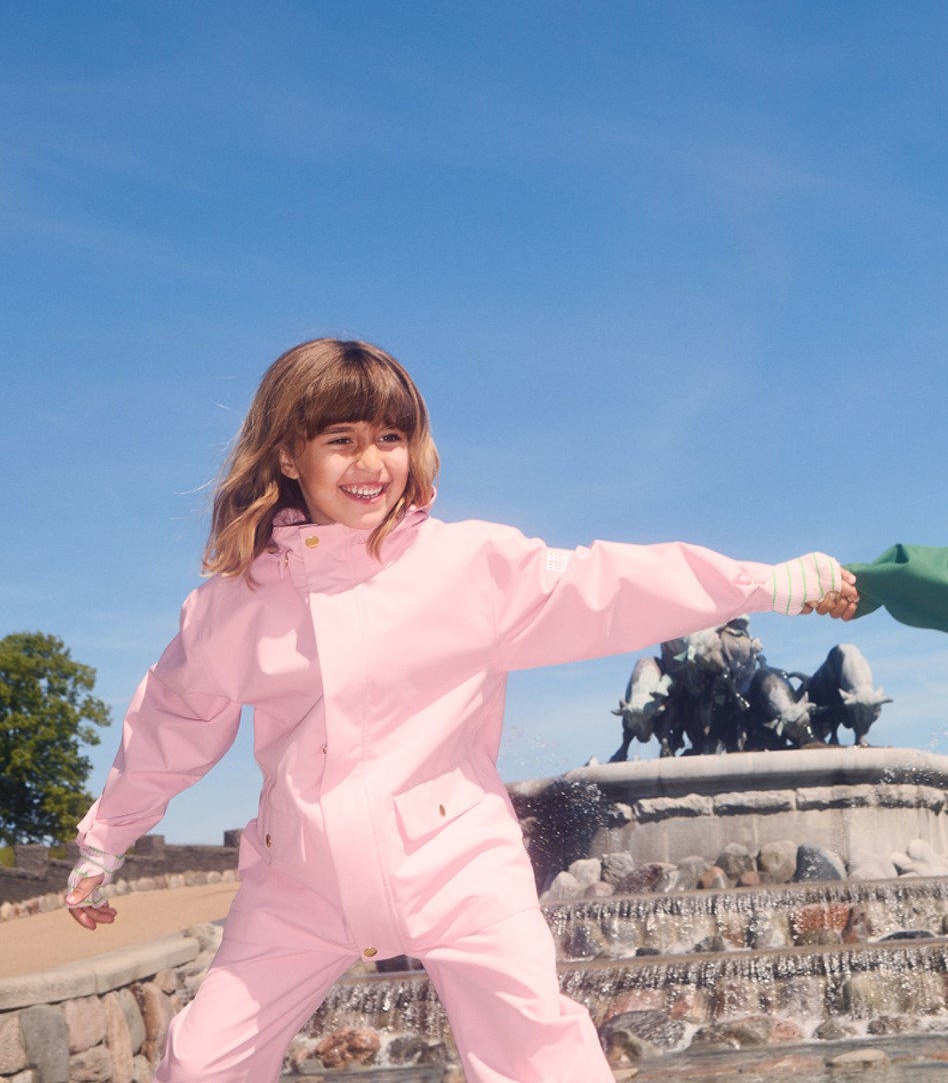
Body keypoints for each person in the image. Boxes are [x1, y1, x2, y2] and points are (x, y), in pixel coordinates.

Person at [64, 338, 858, 1083]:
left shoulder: (466, 565)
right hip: (298, 883)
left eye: (391, 438)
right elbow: (171, 723)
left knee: (536, 1055)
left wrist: (766, 583)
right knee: (202, 1060)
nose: (372, 463)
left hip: (460, 867)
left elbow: (608, 585)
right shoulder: (231, 607)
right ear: (286, 453)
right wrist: (106, 841)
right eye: (342, 440)